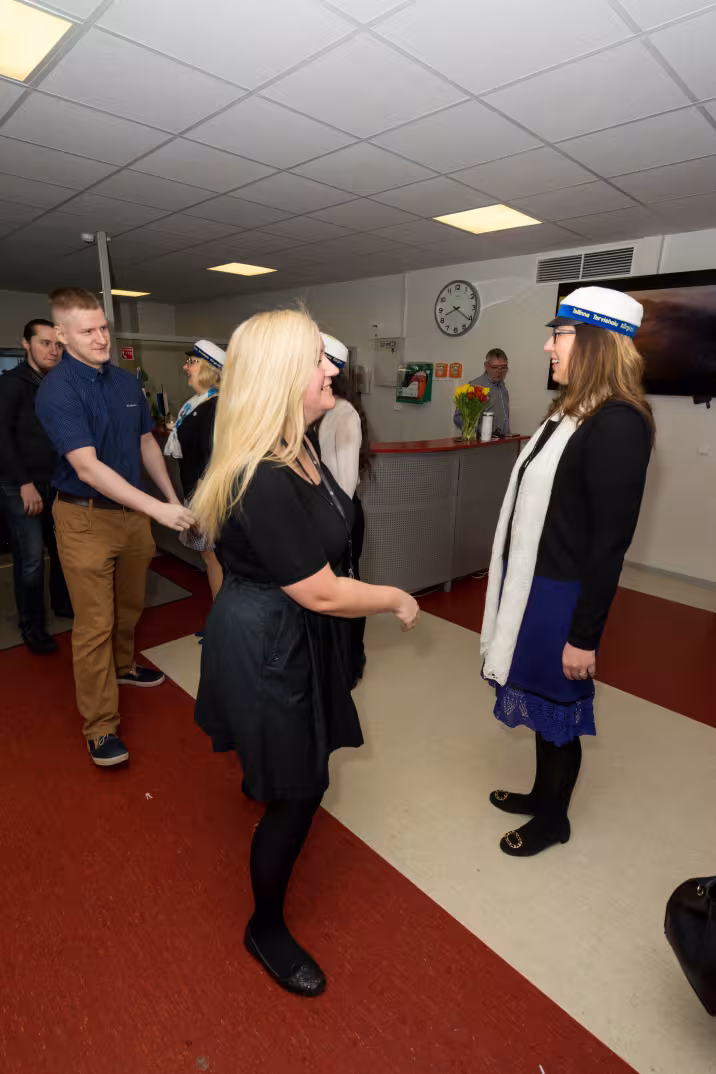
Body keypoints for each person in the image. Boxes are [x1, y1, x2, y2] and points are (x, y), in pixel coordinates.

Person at [192, 309, 419, 998]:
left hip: (290, 627)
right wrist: (394, 597)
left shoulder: (299, 446)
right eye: (317, 359)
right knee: (300, 790)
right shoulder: (264, 471)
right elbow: (320, 591)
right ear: (281, 376)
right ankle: (264, 927)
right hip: (271, 636)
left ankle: (269, 768)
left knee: (292, 762)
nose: (331, 369)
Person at [480, 287, 653, 858]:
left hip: (562, 596)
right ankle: (541, 795)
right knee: (538, 701)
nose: (548, 346)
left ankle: (554, 820)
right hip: (536, 585)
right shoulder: (574, 411)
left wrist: (584, 637)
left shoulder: (619, 422)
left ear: (595, 341)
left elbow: (609, 545)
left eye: (558, 334)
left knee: (557, 710)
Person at [36, 287, 195, 767]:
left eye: (103, 327)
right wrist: (158, 509)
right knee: (94, 625)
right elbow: (87, 467)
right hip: (84, 517)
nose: (101, 337)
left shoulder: (125, 384)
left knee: (129, 605)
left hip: (132, 517)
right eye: (88, 331)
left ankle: (123, 666)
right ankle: (101, 726)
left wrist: (172, 499)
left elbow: (146, 442)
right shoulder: (58, 391)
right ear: (62, 336)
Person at [0, 319, 72, 653]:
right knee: (31, 558)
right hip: (20, 483)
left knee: (62, 550)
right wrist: (24, 483)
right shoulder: (11, 383)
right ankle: (32, 625)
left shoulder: (58, 383)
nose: (53, 350)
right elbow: (2, 437)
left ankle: (63, 605)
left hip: (55, 480)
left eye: (57, 345)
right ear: (26, 344)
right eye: (45, 343)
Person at [317, 332, 370, 686]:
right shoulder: (313, 410)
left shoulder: (344, 412)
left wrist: (333, 523)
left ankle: (352, 661)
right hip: (322, 514)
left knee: (347, 588)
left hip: (341, 514)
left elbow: (346, 481)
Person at [164, 339, 225, 600]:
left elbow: (214, 454)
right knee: (209, 555)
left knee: (213, 556)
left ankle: (222, 617)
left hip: (206, 494)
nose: (185, 367)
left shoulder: (215, 405)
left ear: (208, 369)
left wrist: (200, 500)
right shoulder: (197, 403)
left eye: (191, 362)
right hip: (197, 491)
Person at [454, 347, 510, 436]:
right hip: (481, 440)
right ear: (486, 366)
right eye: (494, 367)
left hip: (502, 440)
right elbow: (458, 418)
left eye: (503, 368)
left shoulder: (503, 388)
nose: (499, 372)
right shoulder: (474, 387)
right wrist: (482, 431)